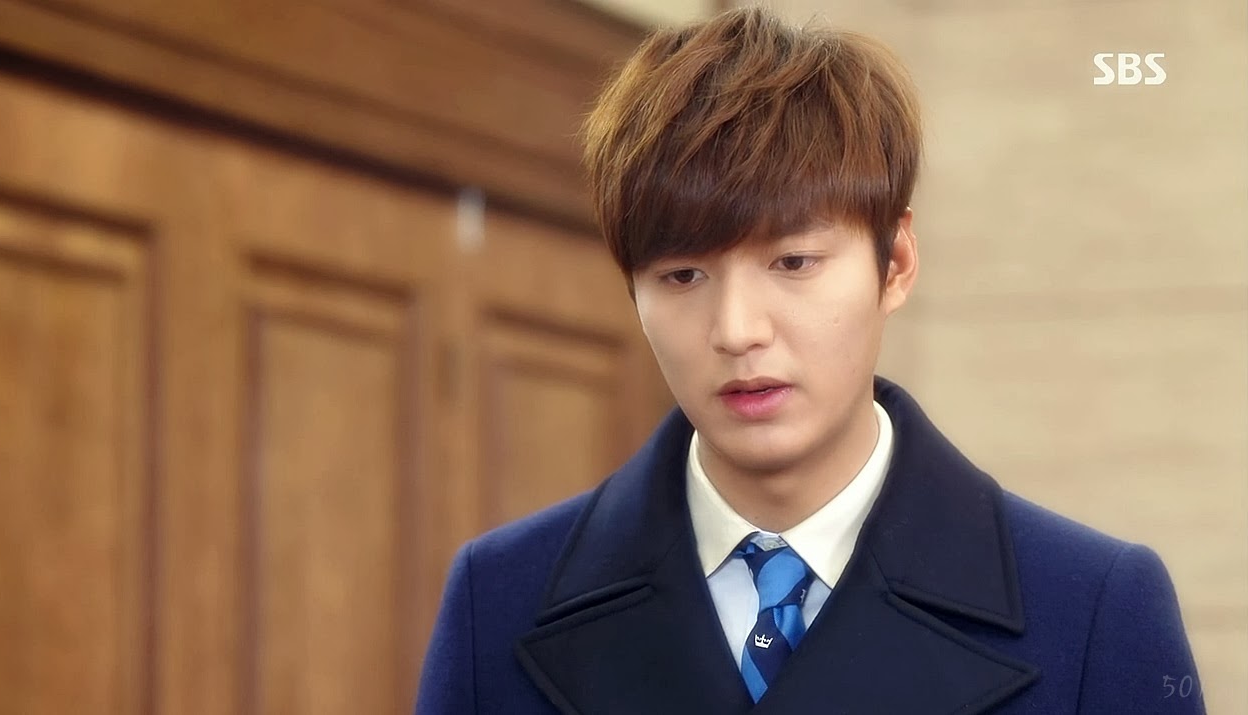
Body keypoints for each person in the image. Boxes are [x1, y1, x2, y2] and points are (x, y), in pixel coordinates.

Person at [415, 7, 1204, 713]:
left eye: (792, 262)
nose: (735, 330)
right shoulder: (501, 598)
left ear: (895, 262)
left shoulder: (1091, 607)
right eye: (682, 276)